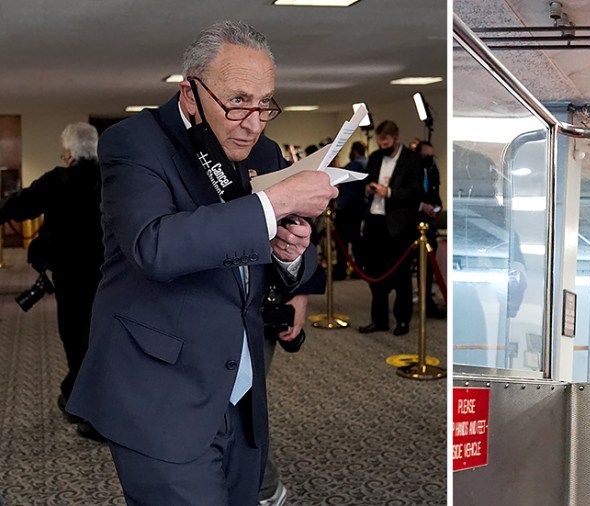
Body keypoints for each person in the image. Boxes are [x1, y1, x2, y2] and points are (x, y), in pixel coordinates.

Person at [66, 21, 337, 506]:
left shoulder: (265, 151)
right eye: (237, 101)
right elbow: (154, 246)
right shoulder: (135, 142)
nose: (253, 122)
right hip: (160, 393)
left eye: (265, 104)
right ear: (189, 93)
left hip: (239, 389)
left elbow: (269, 245)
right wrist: (271, 205)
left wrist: (291, 256)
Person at [0, 122, 105, 441]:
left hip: (71, 274)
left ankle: (88, 408)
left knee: (75, 339)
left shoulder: (57, 180)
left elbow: (18, 207)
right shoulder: (113, 178)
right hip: (111, 273)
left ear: (69, 152)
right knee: (101, 339)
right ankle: (78, 396)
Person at [358, 121, 423, 336]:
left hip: (399, 226)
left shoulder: (412, 160)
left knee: (401, 277)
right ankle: (379, 319)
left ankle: (402, 321)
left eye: (385, 141)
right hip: (374, 222)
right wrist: (368, 189)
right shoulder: (375, 157)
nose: (382, 145)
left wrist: (391, 193)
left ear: (396, 138)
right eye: (379, 141)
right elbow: (366, 181)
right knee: (374, 273)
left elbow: (415, 193)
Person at [414, 140, 444, 317]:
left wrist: (436, 208)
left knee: (428, 265)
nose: (429, 159)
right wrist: (421, 206)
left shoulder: (433, 170)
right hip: (411, 221)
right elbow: (407, 195)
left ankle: (427, 301)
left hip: (429, 222)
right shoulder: (411, 170)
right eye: (426, 156)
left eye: (432, 156)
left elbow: (436, 195)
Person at [332, 141, 368, 280]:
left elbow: (343, 178)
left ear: (354, 151)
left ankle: (341, 269)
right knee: (356, 240)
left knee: (343, 240)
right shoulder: (366, 164)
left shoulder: (355, 165)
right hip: (358, 208)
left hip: (348, 209)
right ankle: (358, 268)